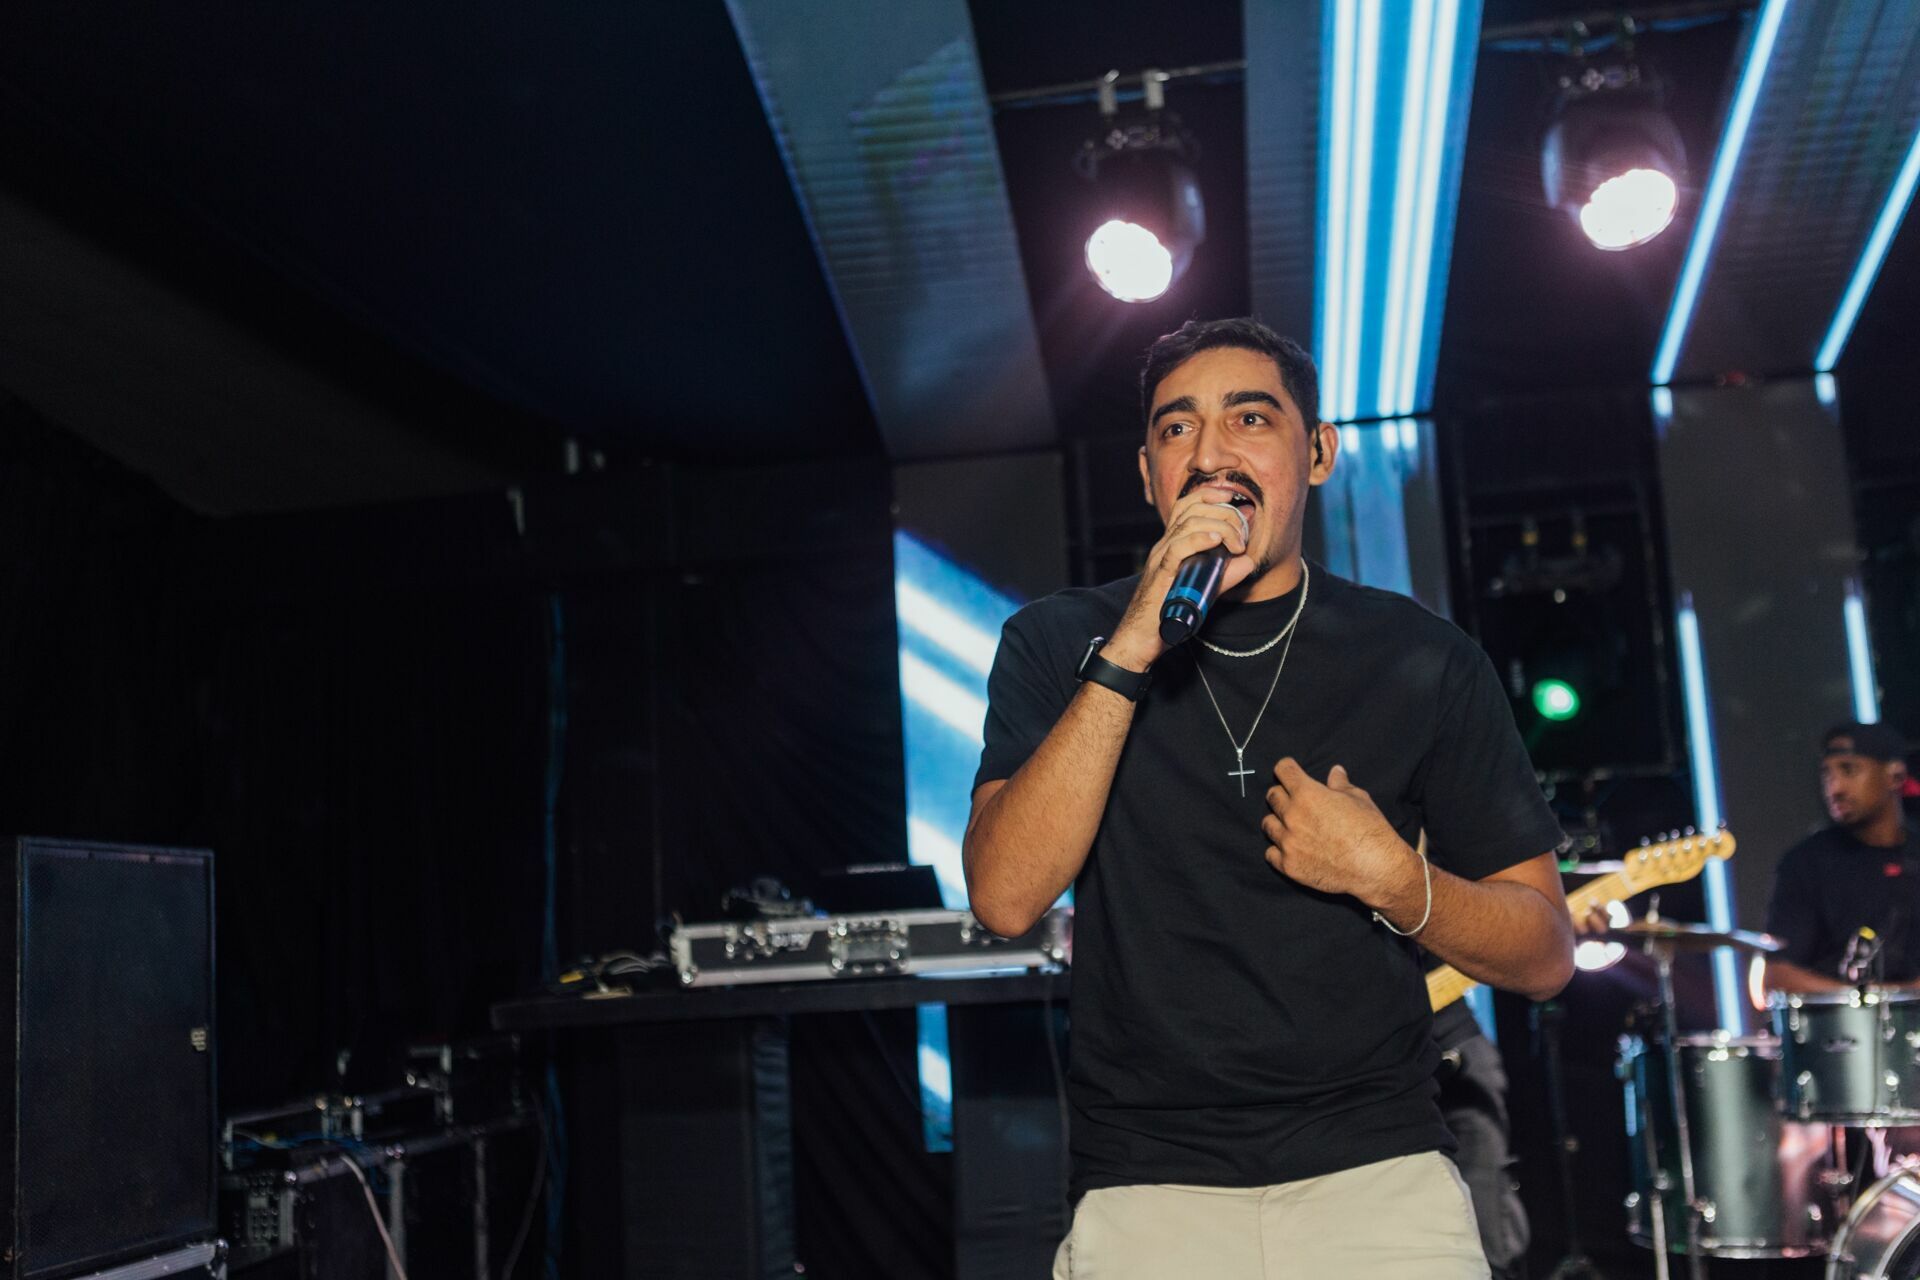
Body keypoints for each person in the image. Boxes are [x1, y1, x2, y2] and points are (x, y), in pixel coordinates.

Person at [963, 318, 1575, 1279]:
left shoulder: (1423, 659)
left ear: (1318, 452)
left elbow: (1544, 955)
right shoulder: (1055, 643)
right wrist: (1129, 650)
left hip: (1382, 1180)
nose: (1209, 454)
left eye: (1251, 418)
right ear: (1147, 474)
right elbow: (1004, 899)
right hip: (1147, 1191)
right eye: (1176, 430)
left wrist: (1393, 877)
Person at [1765, 721, 1917, 992]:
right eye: (1827, 775)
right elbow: (1778, 974)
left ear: (1895, 776)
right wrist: (1871, 1000)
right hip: (1839, 1029)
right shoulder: (1805, 863)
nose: (1835, 788)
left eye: (1849, 770)